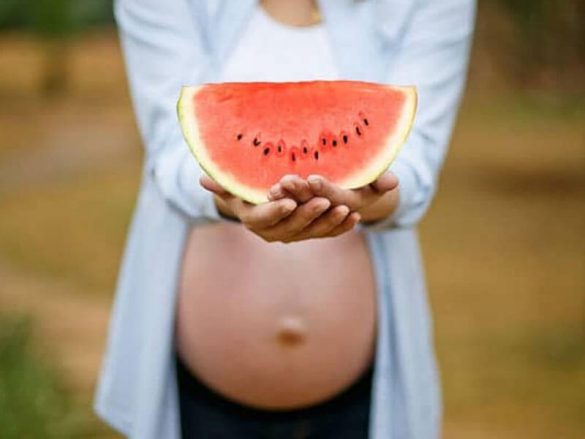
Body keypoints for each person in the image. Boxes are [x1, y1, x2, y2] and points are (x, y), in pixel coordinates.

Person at [95, 0, 476, 438]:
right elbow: (172, 145)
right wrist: (229, 200)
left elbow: (416, 154)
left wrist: (372, 199)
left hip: (361, 400)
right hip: (199, 398)